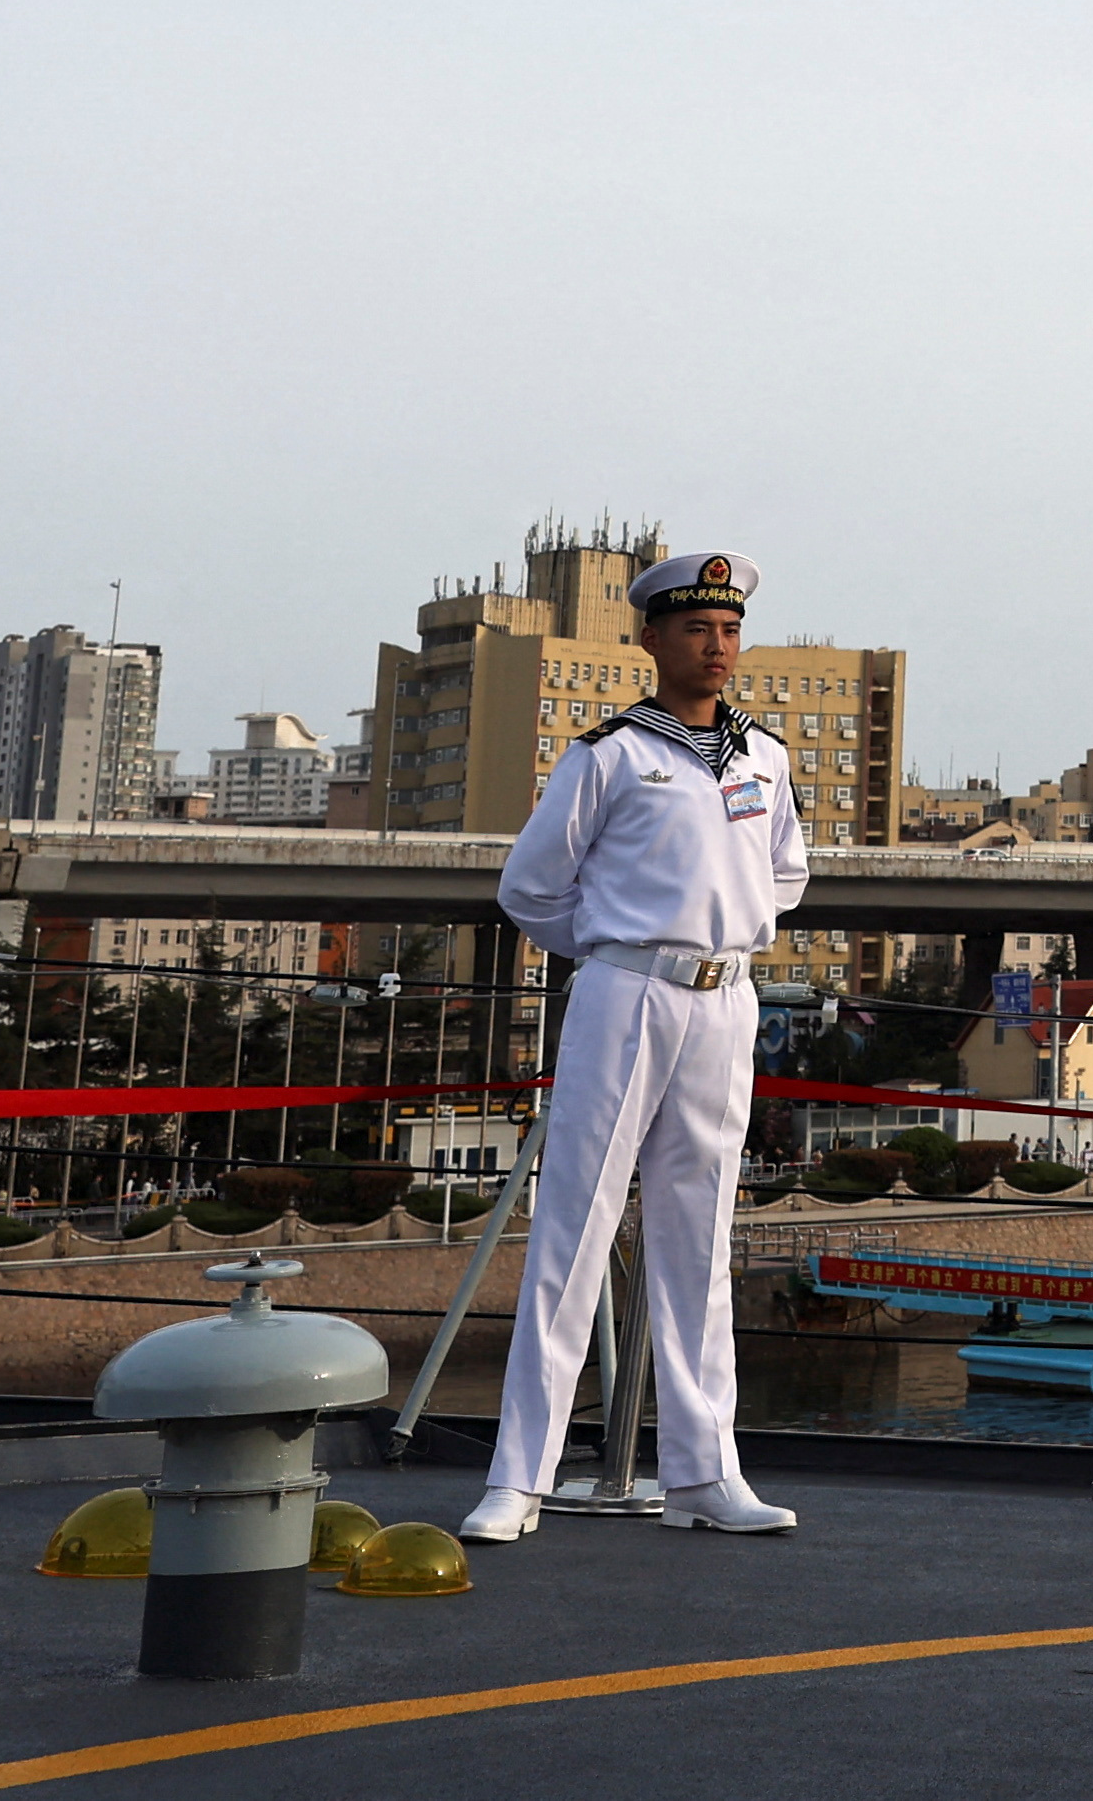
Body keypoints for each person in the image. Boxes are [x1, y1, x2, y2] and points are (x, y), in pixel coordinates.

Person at [459, 549, 807, 1541]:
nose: (718, 646)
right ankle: (518, 1476)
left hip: (725, 999)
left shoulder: (764, 757)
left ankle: (704, 1473)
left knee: (698, 1242)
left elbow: (786, 873)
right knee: (575, 1228)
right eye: (698, 629)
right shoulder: (607, 755)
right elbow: (528, 888)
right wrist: (616, 946)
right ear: (651, 638)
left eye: (730, 629)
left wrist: (723, 934)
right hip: (627, 995)